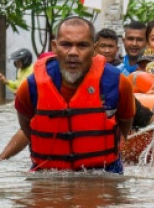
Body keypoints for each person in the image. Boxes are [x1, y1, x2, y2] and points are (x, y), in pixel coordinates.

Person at [14, 16, 136, 173]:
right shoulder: (31, 86)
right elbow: (26, 124)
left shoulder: (118, 83)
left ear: (94, 49)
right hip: (49, 175)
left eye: (82, 45)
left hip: (103, 174)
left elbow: (125, 121)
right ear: (55, 46)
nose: (73, 52)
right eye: (66, 45)